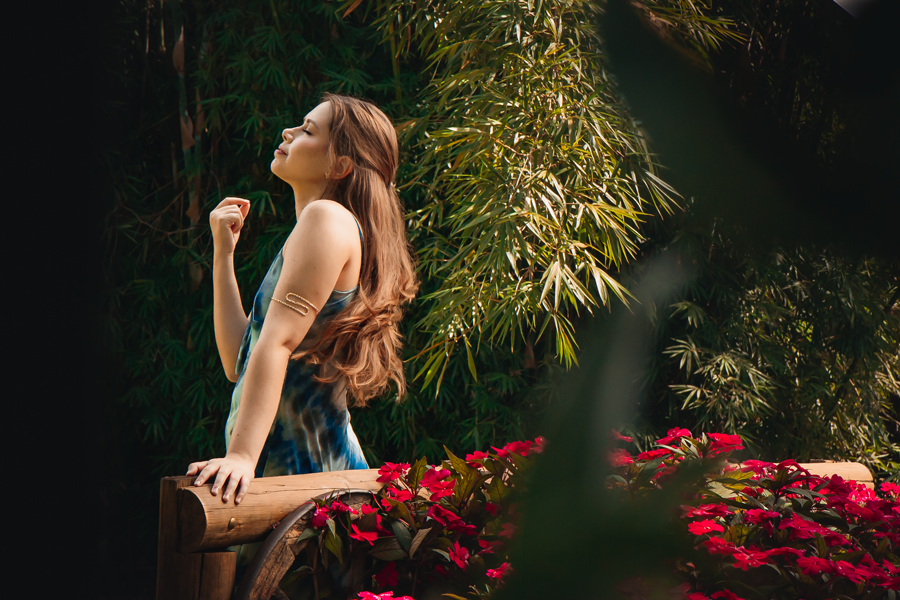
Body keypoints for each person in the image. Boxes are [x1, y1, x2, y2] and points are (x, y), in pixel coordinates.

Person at [186, 93, 418, 508]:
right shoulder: (323, 226)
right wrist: (223, 256)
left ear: (340, 165)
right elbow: (239, 362)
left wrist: (240, 456)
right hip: (301, 476)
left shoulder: (326, 218)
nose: (287, 132)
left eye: (308, 130)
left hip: (311, 482)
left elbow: (277, 342)